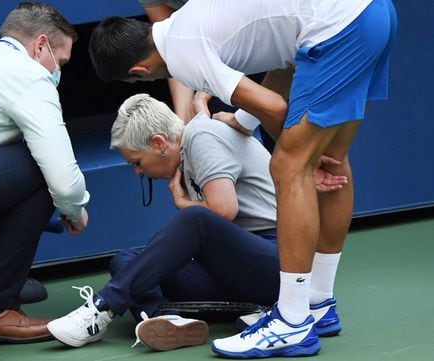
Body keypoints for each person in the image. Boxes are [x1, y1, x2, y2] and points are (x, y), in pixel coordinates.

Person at [88, 0, 397, 357]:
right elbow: (284, 66)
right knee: (334, 159)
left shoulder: (182, 55)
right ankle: (318, 304)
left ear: (139, 71)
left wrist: (303, 160)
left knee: (290, 165)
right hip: (372, 12)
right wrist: (242, 121)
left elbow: (275, 107)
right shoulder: (187, 22)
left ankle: (293, 322)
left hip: (341, 25)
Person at [46, 94, 345, 351]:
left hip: (279, 262)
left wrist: (183, 203)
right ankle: (167, 321)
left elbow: (224, 210)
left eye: (137, 162)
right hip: (236, 272)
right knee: (126, 259)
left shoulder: (200, 137)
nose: (138, 171)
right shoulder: (190, 143)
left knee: (195, 218)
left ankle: (102, 308)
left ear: (159, 143)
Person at [0, 2, 90, 343]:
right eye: (60, 62)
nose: (58, 71)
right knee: (40, 167)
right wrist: (74, 210)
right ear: (40, 45)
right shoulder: (30, 75)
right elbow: (63, 180)